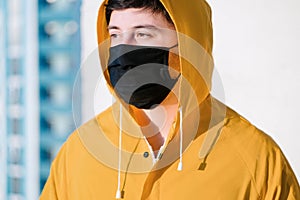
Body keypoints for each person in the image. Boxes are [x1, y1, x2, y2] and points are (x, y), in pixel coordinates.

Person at [40, 0, 300, 199]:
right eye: (116, 35)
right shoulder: (78, 153)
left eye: (143, 34)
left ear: (188, 44)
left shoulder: (257, 160)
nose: (123, 51)